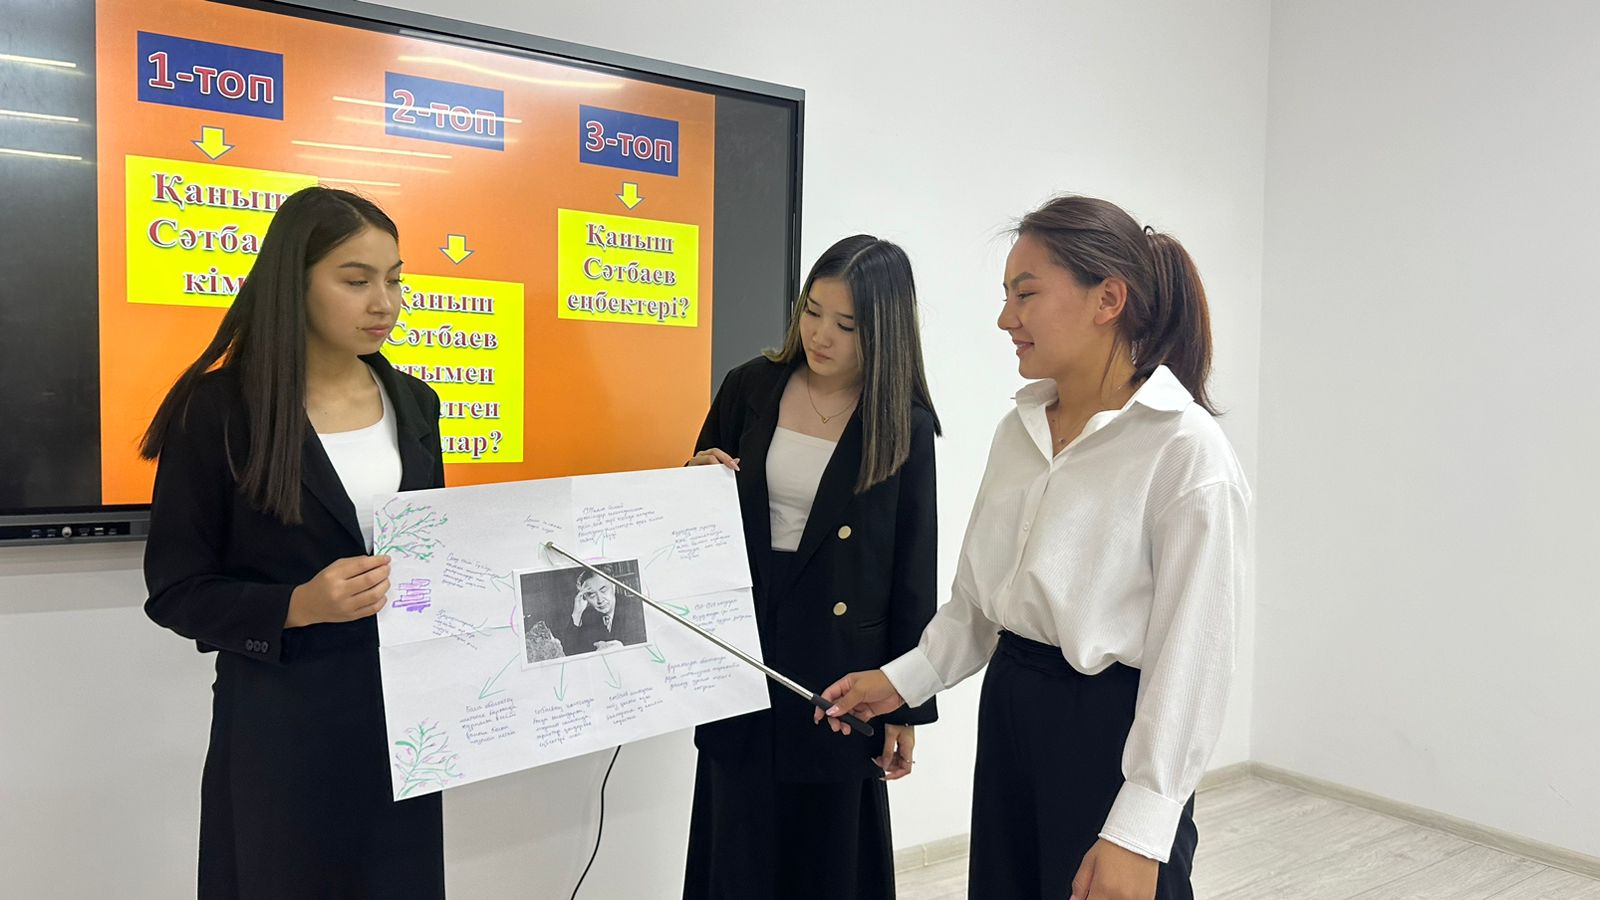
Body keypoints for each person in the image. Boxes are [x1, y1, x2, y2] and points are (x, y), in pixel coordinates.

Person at [819, 196, 1251, 900]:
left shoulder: (1185, 451)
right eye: (1006, 296)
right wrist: (900, 681)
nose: (1005, 319)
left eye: (1025, 294)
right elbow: (978, 605)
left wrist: (1141, 829)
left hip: (1111, 734)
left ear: (1107, 299)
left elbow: (1192, 663)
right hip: (1012, 708)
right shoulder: (1017, 431)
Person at [141, 187, 446, 898]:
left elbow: (433, 547)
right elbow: (177, 591)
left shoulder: (416, 402)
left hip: (407, 720)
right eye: (356, 281)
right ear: (293, 283)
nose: (385, 303)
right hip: (282, 725)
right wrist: (297, 606)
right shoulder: (218, 411)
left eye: (394, 279)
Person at [680, 235, 942, 900]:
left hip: (840, 671)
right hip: (745, 649)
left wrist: (906, 703)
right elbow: (690, 518)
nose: (821, 335)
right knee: (737, 849)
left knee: (827, 862)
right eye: (813, 312)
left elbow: (912, 570)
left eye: (846, 324)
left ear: (882, 331)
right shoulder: (750, 386)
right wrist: (693, 476)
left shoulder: (901, 423)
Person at [565, 568, 647, 651]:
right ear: (585, 597)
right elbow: (570, 651)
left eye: (603, 590)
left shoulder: (636, 608)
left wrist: (623, 649)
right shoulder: (588, 616)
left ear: (613, 586)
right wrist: (577, 613)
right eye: (592, 595)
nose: (600, 600)